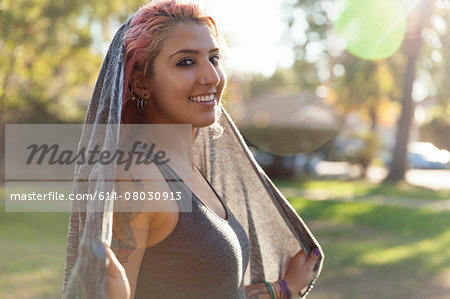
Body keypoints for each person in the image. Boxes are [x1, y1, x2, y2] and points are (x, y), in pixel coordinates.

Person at [62, 1, 323, 299]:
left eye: (214, 58)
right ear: (141, 83)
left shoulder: (193, 171)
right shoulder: (137, 178)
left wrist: (281, 289)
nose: (211, 76)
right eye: (186, 62)